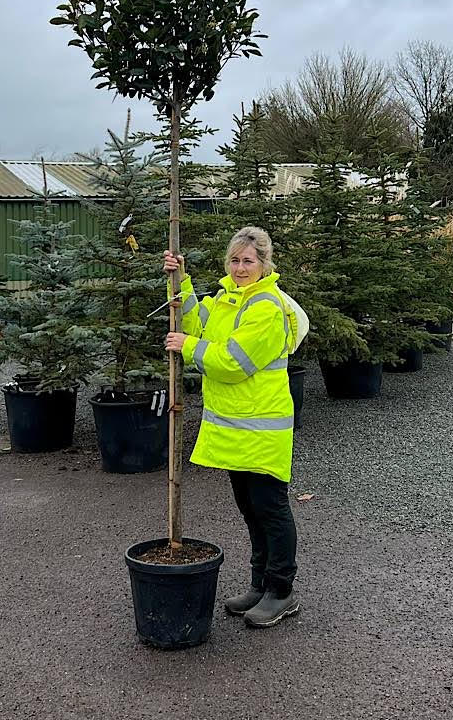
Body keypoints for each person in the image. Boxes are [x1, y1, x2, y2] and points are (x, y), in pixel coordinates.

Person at [163, 225, 299, 628]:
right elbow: (196, 318)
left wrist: (186, 346)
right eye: (235, 260)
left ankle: (282, 590)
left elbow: (232, 362)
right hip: (239, 430)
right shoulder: (228, 299)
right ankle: (260, 584)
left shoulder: (265, 308)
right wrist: (180, 278)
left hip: (263, 430)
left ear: (264, 263)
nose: (240, 268)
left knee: (270, 509)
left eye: (248, 261)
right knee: (250, 509)